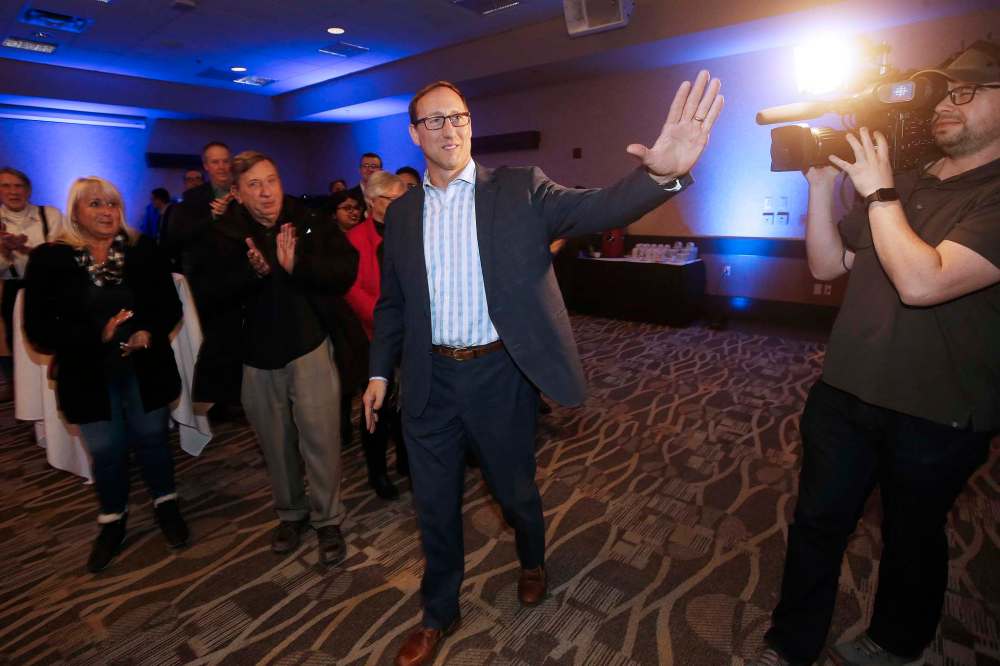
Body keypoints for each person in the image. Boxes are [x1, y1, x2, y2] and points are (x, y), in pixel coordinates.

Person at [362, 73, 723, 665]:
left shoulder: (519, 189)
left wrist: (661, 175)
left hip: (498, 377)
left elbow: (598, 206)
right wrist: (380, 372)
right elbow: (393, 303)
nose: (450, 129)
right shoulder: (401, 215)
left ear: (470, 124)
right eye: (435, 120)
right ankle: (437, 612)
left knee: (514, 493)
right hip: (429, 381)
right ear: (414, 134)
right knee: (432, 506)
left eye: (459, 117)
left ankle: (532, 559)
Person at [751, 41, 1000, 666]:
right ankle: (791, 642)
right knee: (817, 522)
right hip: (844, 393)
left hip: (938, 411)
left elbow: (924, 283)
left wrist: (880, 193)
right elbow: (826, 265)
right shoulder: (905, 182)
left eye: (967, 92)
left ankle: (896, 642)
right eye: (942, 93)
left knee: (911, 536)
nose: (945, 104)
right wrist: (820, 188)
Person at [190, 151, 365, 566]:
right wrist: (251, 273)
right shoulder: (223, 234)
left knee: (321, 439)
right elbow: (207, 294)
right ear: (237, 192)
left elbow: (345, 270)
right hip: (255, 357)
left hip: (310, 347)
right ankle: (291, 513)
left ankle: (328, 519)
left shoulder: (309, 220)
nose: (267, 192)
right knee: (275, 443)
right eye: (254, 185)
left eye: (271, 180)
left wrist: (297, 264)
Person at [23, 176, 188, 573]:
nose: (106, 211)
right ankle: (113, 518)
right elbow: (39, 329)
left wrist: (147, 331)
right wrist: (98, 335)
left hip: (144, 366)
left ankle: (166, 503)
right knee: (106, 450)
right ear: (75, 211)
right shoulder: (51, 259)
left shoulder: (142, 249)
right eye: (95, 203)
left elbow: (169, 306)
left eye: (112, 203)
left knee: (153, 439)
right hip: (87, 373)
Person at [342, 171, 409, 500]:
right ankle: (377, 471)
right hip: (373, 337)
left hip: (410, 334)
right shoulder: (354, 239)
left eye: (401, 199)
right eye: (390, 200)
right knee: (377, 408)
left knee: (408, 404)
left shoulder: (410, 232)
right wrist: (390, 322)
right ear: (371, 201)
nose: (398, 205)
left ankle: (407, 461)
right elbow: (353, 291)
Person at [0, 166, 63, 381]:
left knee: (52, 344)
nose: (13, 192)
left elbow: (59, 256)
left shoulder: (50, 215)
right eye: (6, 186)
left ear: (28, 190)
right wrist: (5, 252)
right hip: (13, 289)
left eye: (18, 186)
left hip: (51, 290)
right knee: (19, 349)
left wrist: (25, 249)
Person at [347, 152, 382, 219]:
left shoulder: (386, 194)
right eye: (365, 166)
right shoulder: (350, 195)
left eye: (374, 166)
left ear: (381, 170)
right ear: (360, 169)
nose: (370, 169)